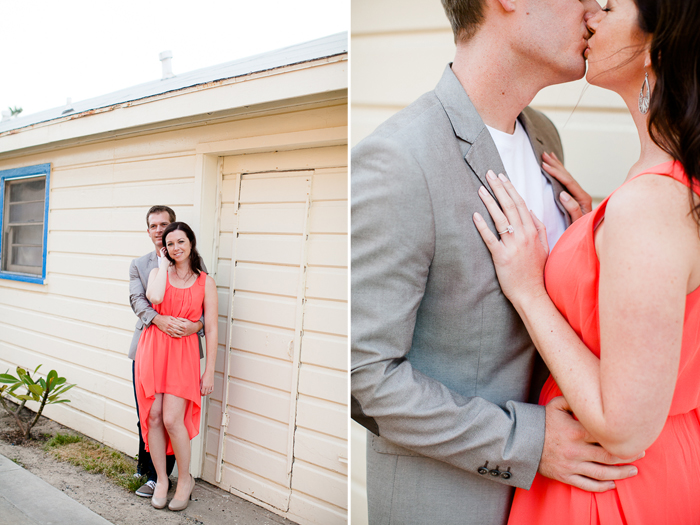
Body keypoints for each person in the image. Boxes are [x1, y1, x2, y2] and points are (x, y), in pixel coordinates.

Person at [351, 1, 642, 523]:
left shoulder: (544, 137)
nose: (595, 8)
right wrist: (528, 444)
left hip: (553, 505)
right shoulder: (399, 160)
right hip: (450, 503)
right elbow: (363, 378)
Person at [473, 0, 700, 522]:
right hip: (656, 469)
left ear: (656, 43)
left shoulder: (650, 206)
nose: (592, 15)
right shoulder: (664, 185)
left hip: (609, 484)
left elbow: (622, 427)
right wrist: (595, 230)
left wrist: (528, 289)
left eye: (611, 6)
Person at [134, 221, 218, 511]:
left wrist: (209, 371)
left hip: (183, 353)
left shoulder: (205, 281)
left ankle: (185, 479)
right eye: (170, 244)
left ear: (191, 243)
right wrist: (161, 263)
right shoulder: (159, 273)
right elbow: (155, 298)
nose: (176, 248)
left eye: (181, 242)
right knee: (154, 416)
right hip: (154, 348)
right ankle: (162, 479)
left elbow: (213, 328)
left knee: (172, 419)